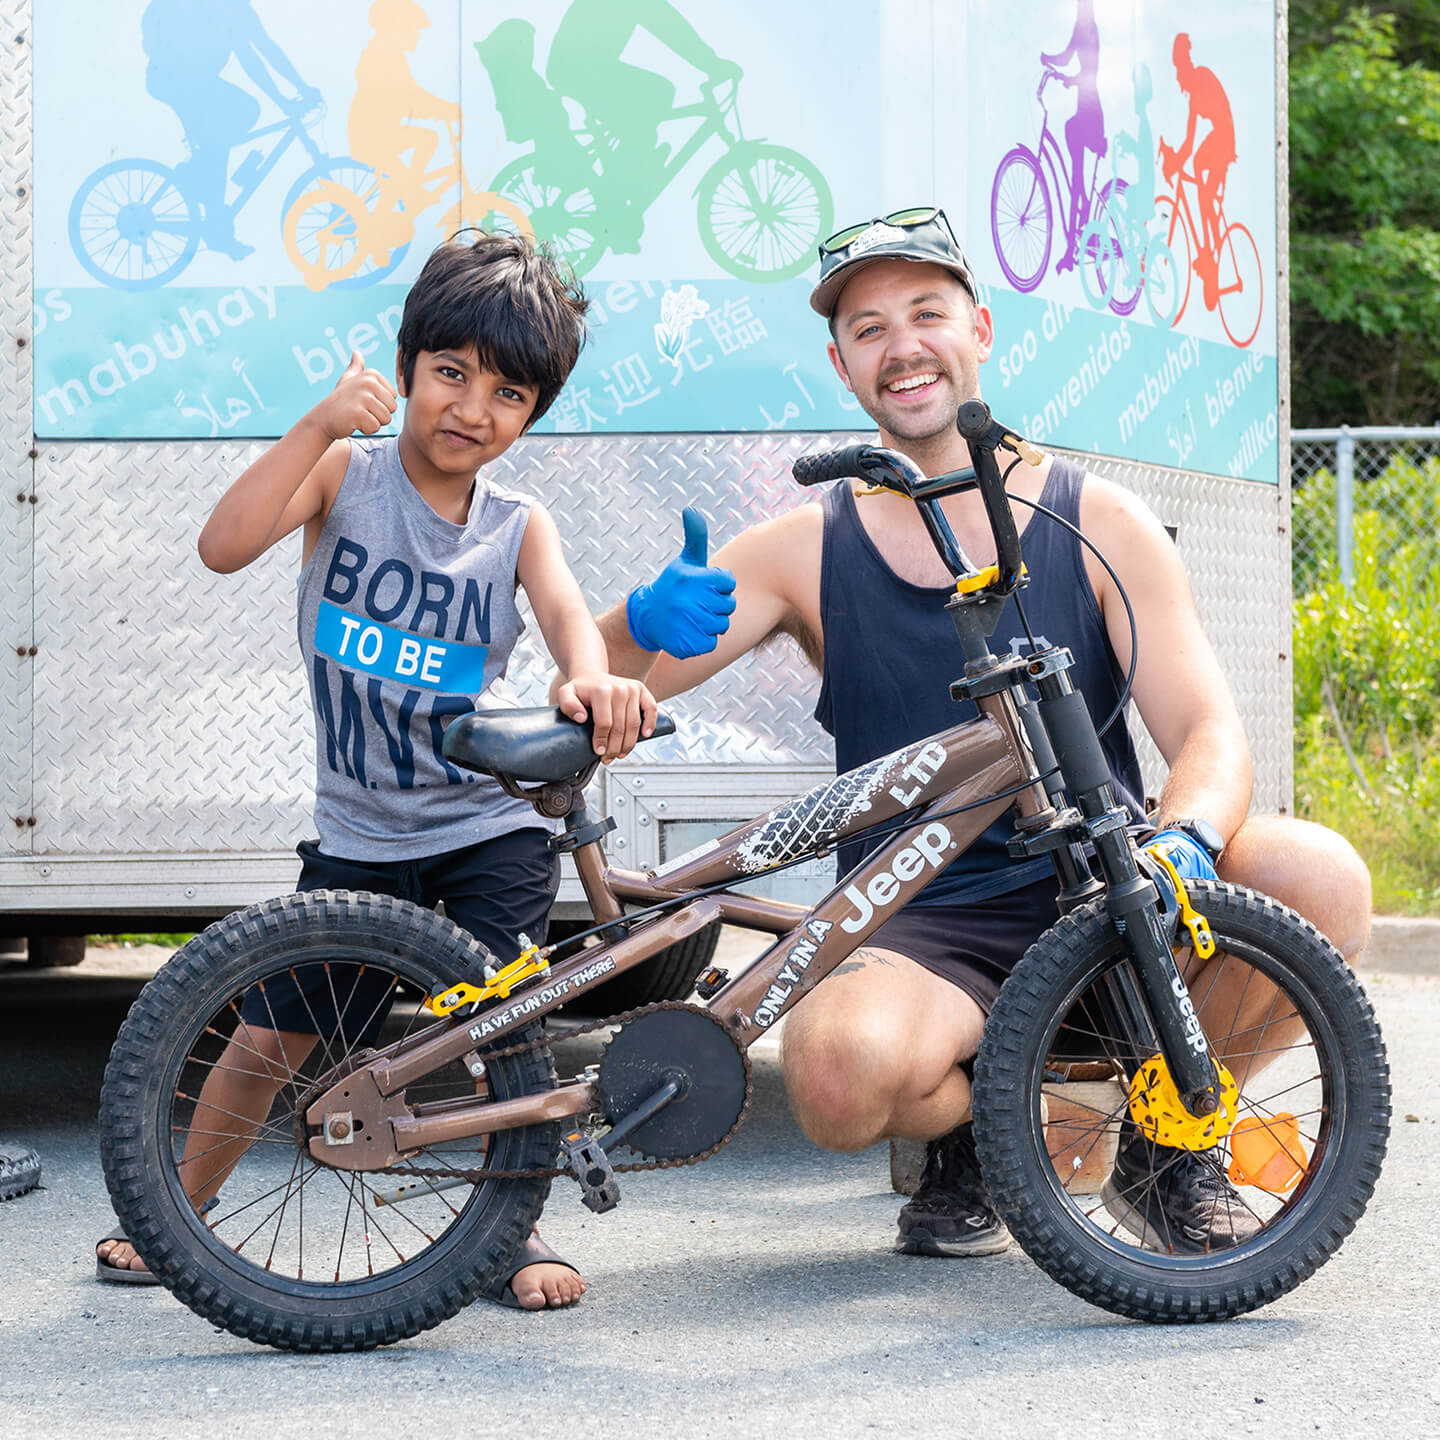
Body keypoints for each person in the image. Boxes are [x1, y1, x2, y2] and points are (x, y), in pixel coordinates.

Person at [591, 207, 1372, 1258]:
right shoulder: (802, 546)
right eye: (869, 328)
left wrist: (1180, 841)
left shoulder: (1098, 518)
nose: (901, 345)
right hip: (922, 926)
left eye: (926, 312)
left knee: (1318, 876)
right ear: (842, 364)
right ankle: (996, 1140)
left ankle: (1166, 1145)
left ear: (981, 330)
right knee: (833, 1077)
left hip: (1112, 902)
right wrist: (634, 621)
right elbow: (591, 676)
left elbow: (1209, 733)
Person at [96, 232, 657, 1309]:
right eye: (449, 373)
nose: (470, 407)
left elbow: (571, 630)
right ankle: (178, 1207)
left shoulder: (517, 525)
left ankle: (511, 1239)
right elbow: (223, 545)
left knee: (506, 1037)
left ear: (532, 414)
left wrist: (597, 683)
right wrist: (313, 423)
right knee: (269, 1033)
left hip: (487, 830)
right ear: (405, 370)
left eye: (507, 392)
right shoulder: (344, 478)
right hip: (358, 836)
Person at [1160, 33, 1237, 311]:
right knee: (1196, 171)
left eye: (1179, 74)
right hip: (1218, 137)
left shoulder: (1203, 78)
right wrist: (1173, 161)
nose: (1179, 81)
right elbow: (1189, 143)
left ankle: (1210, 256)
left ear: (1186, 69)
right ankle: (1208, 252)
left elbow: (1222, 117)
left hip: (1225, 136)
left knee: (1202, 186)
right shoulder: (1193, 98)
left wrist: (1181, 161)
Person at [1039, 0, 1106, 272]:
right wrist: (1048, 60)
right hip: (1083, 108)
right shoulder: (1082, 28)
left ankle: (1072, 247)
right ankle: (1072, 247)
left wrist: (1070, 80)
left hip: (1091, 113)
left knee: (1076, 185)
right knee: (1075, 185)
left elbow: (1091, 71)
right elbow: (1066, 57)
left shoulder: (1090, 31)